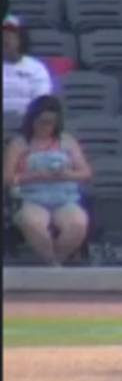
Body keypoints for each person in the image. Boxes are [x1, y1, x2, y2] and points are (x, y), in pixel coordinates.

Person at [3, 94, 92, 266]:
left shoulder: (67, 142)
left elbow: (86, 173)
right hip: (32, 199)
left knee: (78, 223)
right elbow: (7, 178)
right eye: (42, 121)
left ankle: (56, 260)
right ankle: (52, 262)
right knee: (33, 224)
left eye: (51, 122)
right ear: (33, 120)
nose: (46, 127)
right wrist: (36, 176)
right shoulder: (19, 144)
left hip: (65, 199)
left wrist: (66, 174)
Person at [3, 15, 53, 115]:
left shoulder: (36, 68)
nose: (4, 39)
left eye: (9, 35)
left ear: (20, 39)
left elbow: (41, 102)